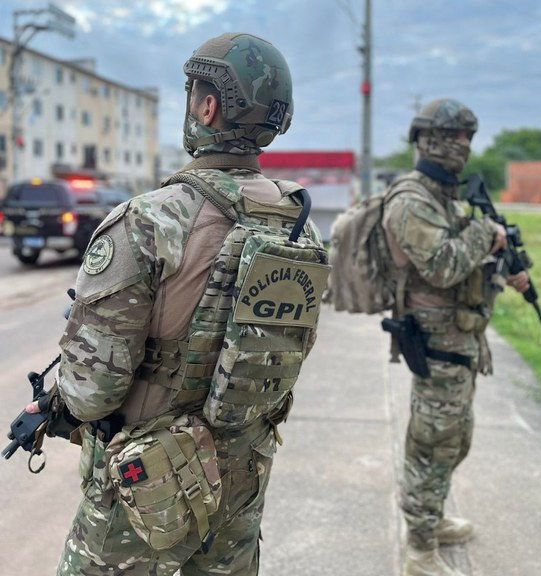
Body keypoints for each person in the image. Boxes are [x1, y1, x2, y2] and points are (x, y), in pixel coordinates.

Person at [26, 33, 326, 576]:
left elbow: (92, 393)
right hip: (242, 470)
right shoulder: (300, 227)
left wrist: (58, 403)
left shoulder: (148, 220)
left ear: (208, 108)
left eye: (193, 95)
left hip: (148, 490)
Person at [382, 98, 529, 576]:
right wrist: (485, 232)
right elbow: (443, 266)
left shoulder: (443, 196)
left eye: (469, 136)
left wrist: (499, 260)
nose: (464, 145)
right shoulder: (411, 200)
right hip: (435, 345)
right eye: (456, 136)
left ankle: (433, 519)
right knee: (431, 444)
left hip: (460, 342)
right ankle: (420, 549)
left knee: (454, 440)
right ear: (429, 138)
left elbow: (464, 263)